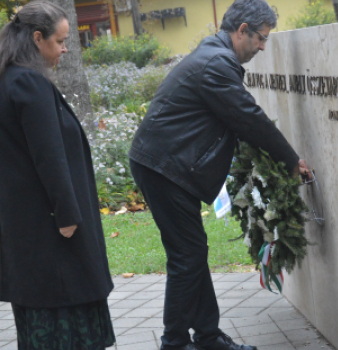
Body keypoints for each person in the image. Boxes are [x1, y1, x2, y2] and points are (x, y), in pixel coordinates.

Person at [129, 0, 311, 350]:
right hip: (162, 168)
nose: (261, 47)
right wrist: (290, 159)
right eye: (260, 38)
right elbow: (247, 116)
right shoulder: (216, 63)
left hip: (164, 165)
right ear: (241, 30)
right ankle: (175, 342)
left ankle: (208, 337)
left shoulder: (215, 56)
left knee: (191, 252)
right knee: (187, 256)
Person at [0, 2, 115, 349]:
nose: (65, 48)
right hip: (53, 229)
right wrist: (67, 215)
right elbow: (49, 156)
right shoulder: (29, 84)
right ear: (37, 38)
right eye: (61, 41)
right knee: (66, 323)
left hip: (28, 227)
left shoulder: (9, 79)